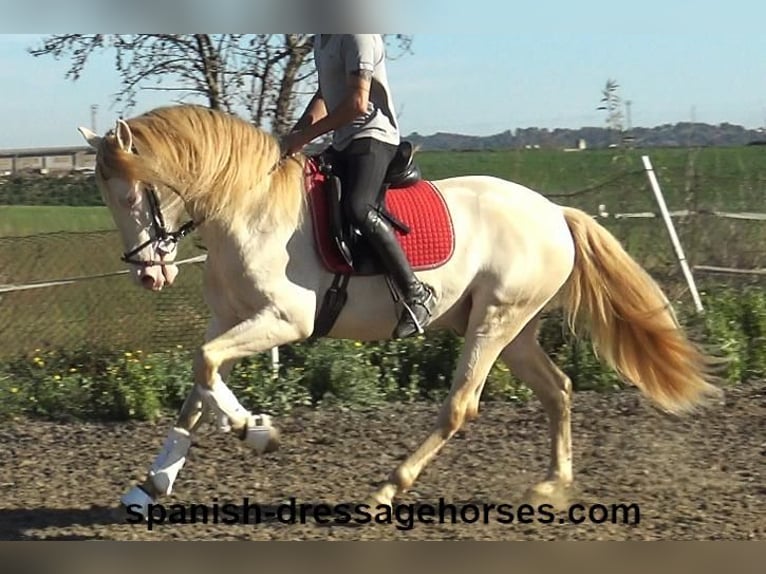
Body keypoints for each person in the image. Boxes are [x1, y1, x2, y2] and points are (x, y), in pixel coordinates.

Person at [282, 34, 434, 339]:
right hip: (343, 141)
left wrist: (306, 137)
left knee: (358, 207)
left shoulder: (357, 35)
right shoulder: (322, 39)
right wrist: (295, 135)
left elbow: (356, 103)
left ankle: (416, 294)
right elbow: (326, 95)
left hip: (374, 136)